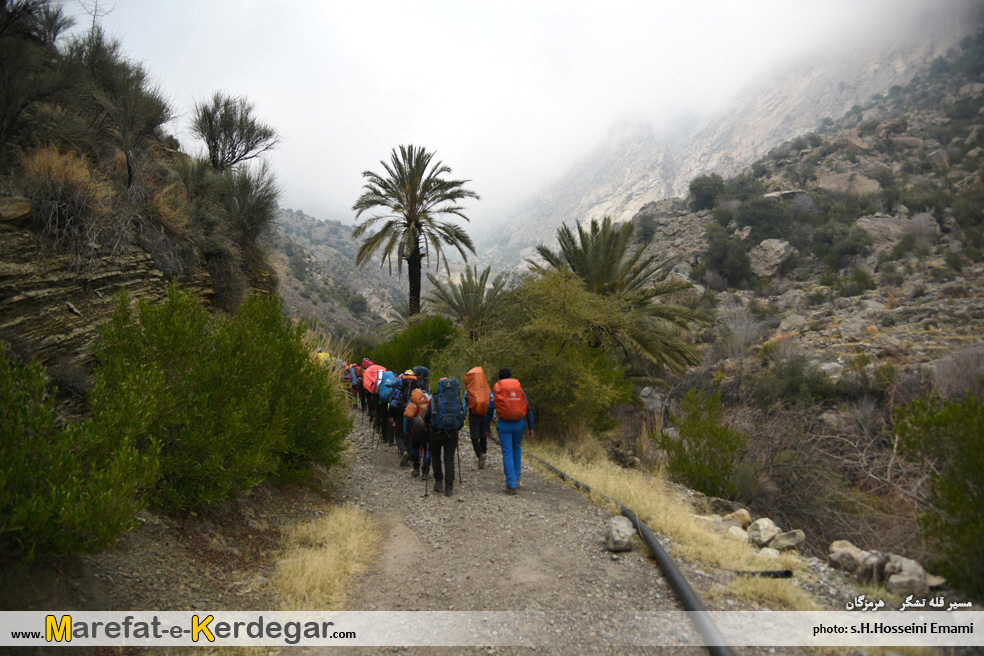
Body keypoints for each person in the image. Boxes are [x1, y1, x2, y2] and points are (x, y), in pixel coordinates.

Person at [492, 367, 533, 495]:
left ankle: (511, 485)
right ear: (510, 377)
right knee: (516, 448)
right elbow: (529, 409)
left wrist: (487, 427)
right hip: (519, 424)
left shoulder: (497, 390)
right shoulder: (519, 389)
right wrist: (531, 427)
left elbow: (489, 409)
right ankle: (517, 477)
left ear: (500, 378)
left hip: (504, 424)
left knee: (507, 453)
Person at [423, 377, 465, 498]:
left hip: (436, 432)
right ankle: (449, 488)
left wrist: (427, 426)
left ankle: (438, 482)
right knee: (449, 458)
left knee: (436, 456)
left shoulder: (434, 398)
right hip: (452, 432)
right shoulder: (457, 398)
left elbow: (427, 415)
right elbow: (462, 414)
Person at [463, 366, 493, 469]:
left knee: (474, 437)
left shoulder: (469, 390)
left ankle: (480, 454)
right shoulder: (485, 387)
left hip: (474, 415)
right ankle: (483, 454)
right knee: (483, 436)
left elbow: (464, 404)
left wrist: (463, 415)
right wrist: (493, 416)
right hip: (485, 415)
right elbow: (491, 401)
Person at [403, 387, 431, 479]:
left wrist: (406, 430)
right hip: (427, 429)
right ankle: (425, 472)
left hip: (415, 430)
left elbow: (407, 417)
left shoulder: (413, 400)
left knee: (415, 448)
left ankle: (416, 469)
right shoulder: (429, 398)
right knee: (427, 449)